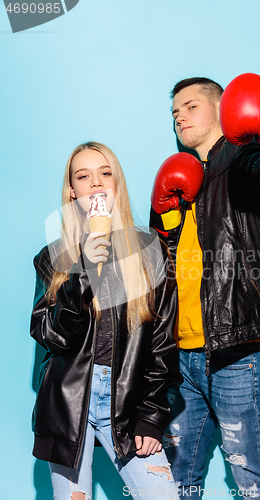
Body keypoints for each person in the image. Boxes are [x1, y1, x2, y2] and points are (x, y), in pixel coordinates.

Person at [149, 74, 260, 499]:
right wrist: (164, 220)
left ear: (224, 108)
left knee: (256, 485)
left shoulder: (244, 160)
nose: (180, 115)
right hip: (179, 359)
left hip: (242, 352)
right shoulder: (179, 180)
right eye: (175, 112)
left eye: (191, 105)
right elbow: (159, 269)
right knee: (173, 486)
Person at [30, 141, 182, 500]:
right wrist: (82, 271)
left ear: (117, 185)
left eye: (105, 173)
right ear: (73, 192)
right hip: (67, 403)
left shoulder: (151, 250)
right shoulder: (52, 258)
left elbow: (163, 342)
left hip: (127, 401)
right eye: (84, 177)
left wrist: (151, 415)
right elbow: (52, 336)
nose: (96, 184)